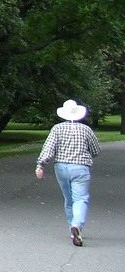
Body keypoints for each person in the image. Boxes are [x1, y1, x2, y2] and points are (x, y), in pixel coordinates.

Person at [34, 99, 101, 246]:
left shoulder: (57, 129)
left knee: (68, 198)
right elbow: (96, 150)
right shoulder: (86, 130)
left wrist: (41, 165)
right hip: (81, 168)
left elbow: (48, 149)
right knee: (81, 198)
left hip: (61, 168)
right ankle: (76, 225)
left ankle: (72, 228)